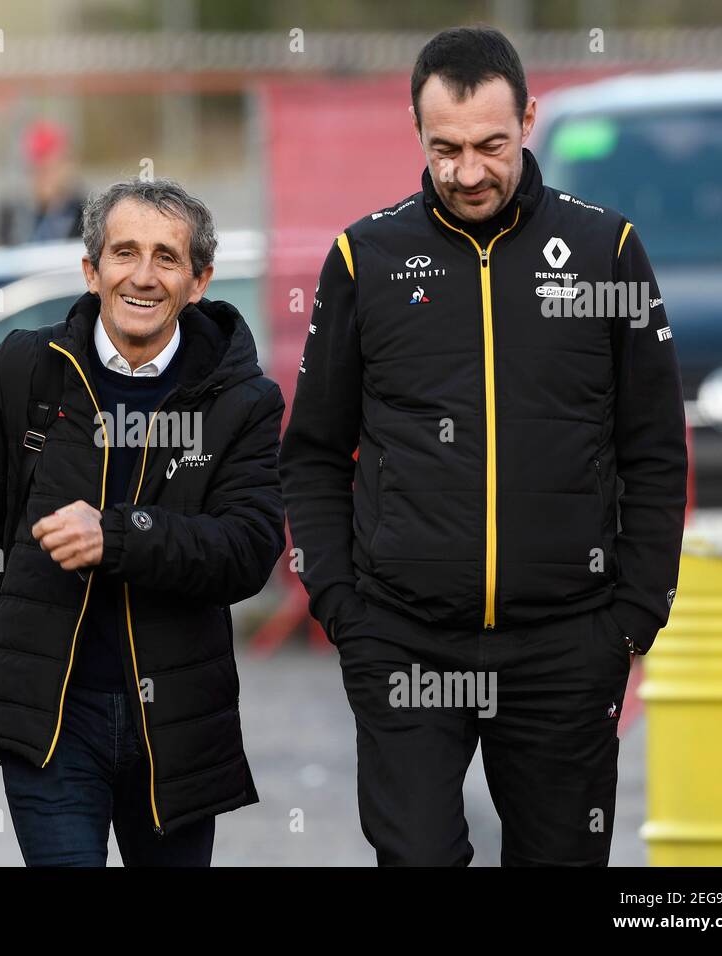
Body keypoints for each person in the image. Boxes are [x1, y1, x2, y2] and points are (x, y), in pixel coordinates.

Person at [279, 26, 687, 866]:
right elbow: (314, 449)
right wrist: (340, 606)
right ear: (416, 131)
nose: (469, 173)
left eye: (491, 146)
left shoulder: (608, 252)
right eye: (447, 149)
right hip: (404, 640)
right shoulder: (368, 257)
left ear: (530, 119)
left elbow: (653, 448)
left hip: (567, 643)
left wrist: (635, 612)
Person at [0, 179, 284, 866]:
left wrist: (114, 536)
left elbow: (248, 549)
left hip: (177, 724)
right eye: (124, 253)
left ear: (200, 280)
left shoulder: (242, 400)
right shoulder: (25, 371)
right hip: (51, 720)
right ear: (92, 270)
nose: (142, 277)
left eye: (166, 258)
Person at [0, 120, 85, 245]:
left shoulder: (86, 214)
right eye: (37, 170)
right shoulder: (10, 215)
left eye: (51, 169)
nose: (44, 177)